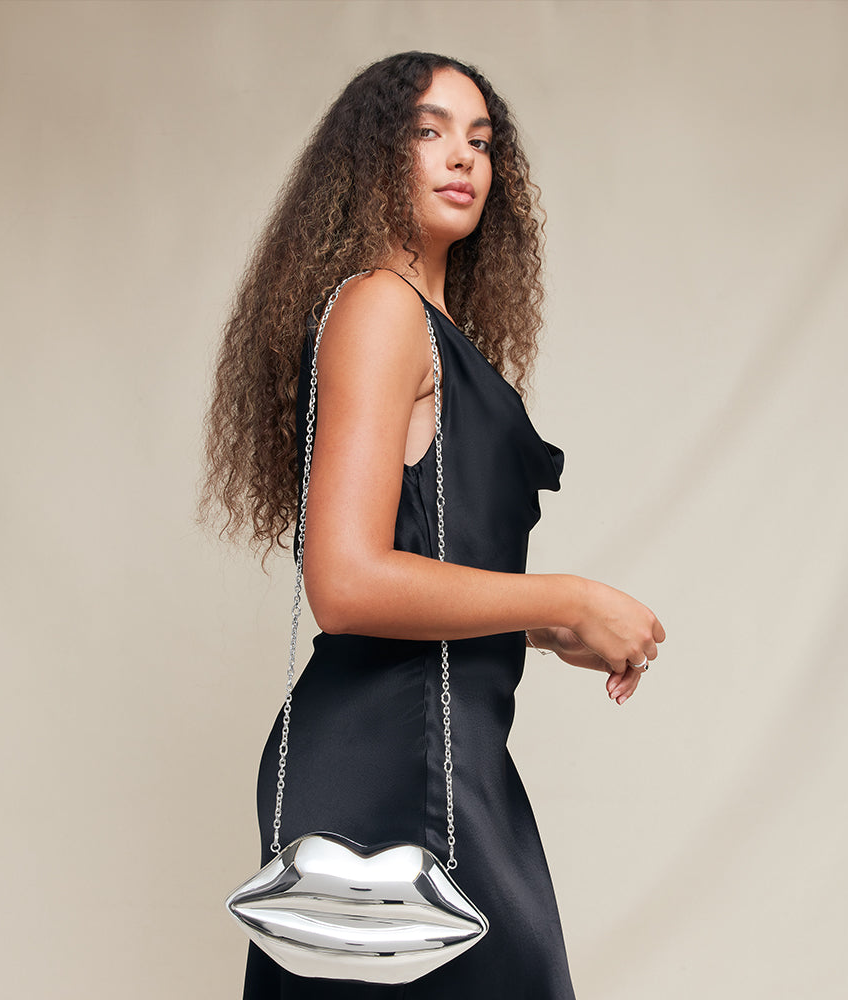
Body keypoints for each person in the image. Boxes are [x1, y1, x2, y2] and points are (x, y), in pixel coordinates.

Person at [201, 51, 665, 1000]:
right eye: (430, 130)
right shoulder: (381, 310)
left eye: (482, 140)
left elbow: (424, 556)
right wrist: (567, 594)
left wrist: (546, 627)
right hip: (391, 768)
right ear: (376, 157)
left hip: (448, 757)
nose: (464, 156)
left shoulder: (435, 332)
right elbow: (348, 580)